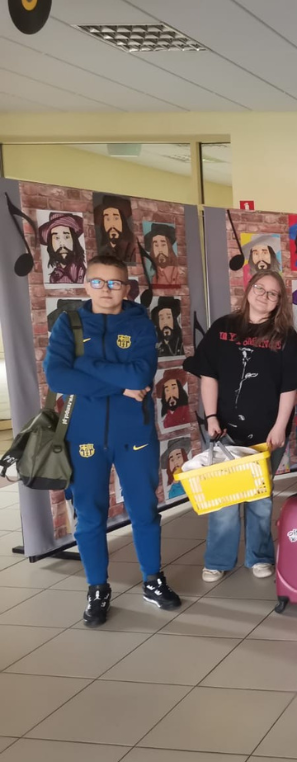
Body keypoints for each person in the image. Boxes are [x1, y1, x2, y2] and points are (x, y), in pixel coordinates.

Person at [43, 254, 181, 627]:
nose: (106, 290)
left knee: (144, 510)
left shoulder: (140, 323)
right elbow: (57, 377)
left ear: (126, 288)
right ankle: (97, 588)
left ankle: (152, 580)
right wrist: (119, 386)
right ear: (86, 285)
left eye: (114, 283)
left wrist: (83, 364)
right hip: (82, 435)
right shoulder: (68, 323)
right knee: (89, 515)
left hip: (134, 434)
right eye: (98, 282)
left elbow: (140, 376)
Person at [185, 271, 297, 582]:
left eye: (273, 293)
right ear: (249, 289)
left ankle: (259, 557)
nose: (264, 296)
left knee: (259, 498)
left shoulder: (285, 337)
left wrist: (280, 427)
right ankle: (218, 560)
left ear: (279, 301)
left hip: (266, 434)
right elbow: (208, 376)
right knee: (224, 499)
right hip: (225, 431)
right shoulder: (223, 328)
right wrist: (211, 417)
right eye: (260, 288)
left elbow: (289, 387)